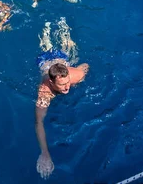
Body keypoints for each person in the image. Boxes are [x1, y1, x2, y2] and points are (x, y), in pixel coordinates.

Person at [34, 19, 89, 179]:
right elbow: (39, 123)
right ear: (51, 82)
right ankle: (45, 27)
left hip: (63, 61)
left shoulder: (74, 76)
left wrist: (80, 80)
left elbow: (85, 66)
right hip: (45, 62)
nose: (67, 88)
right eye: (62, 85)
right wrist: (44, 153)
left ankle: (63, 24)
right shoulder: (44, 93)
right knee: (46, 45)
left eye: (67, 83)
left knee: (68, 47)